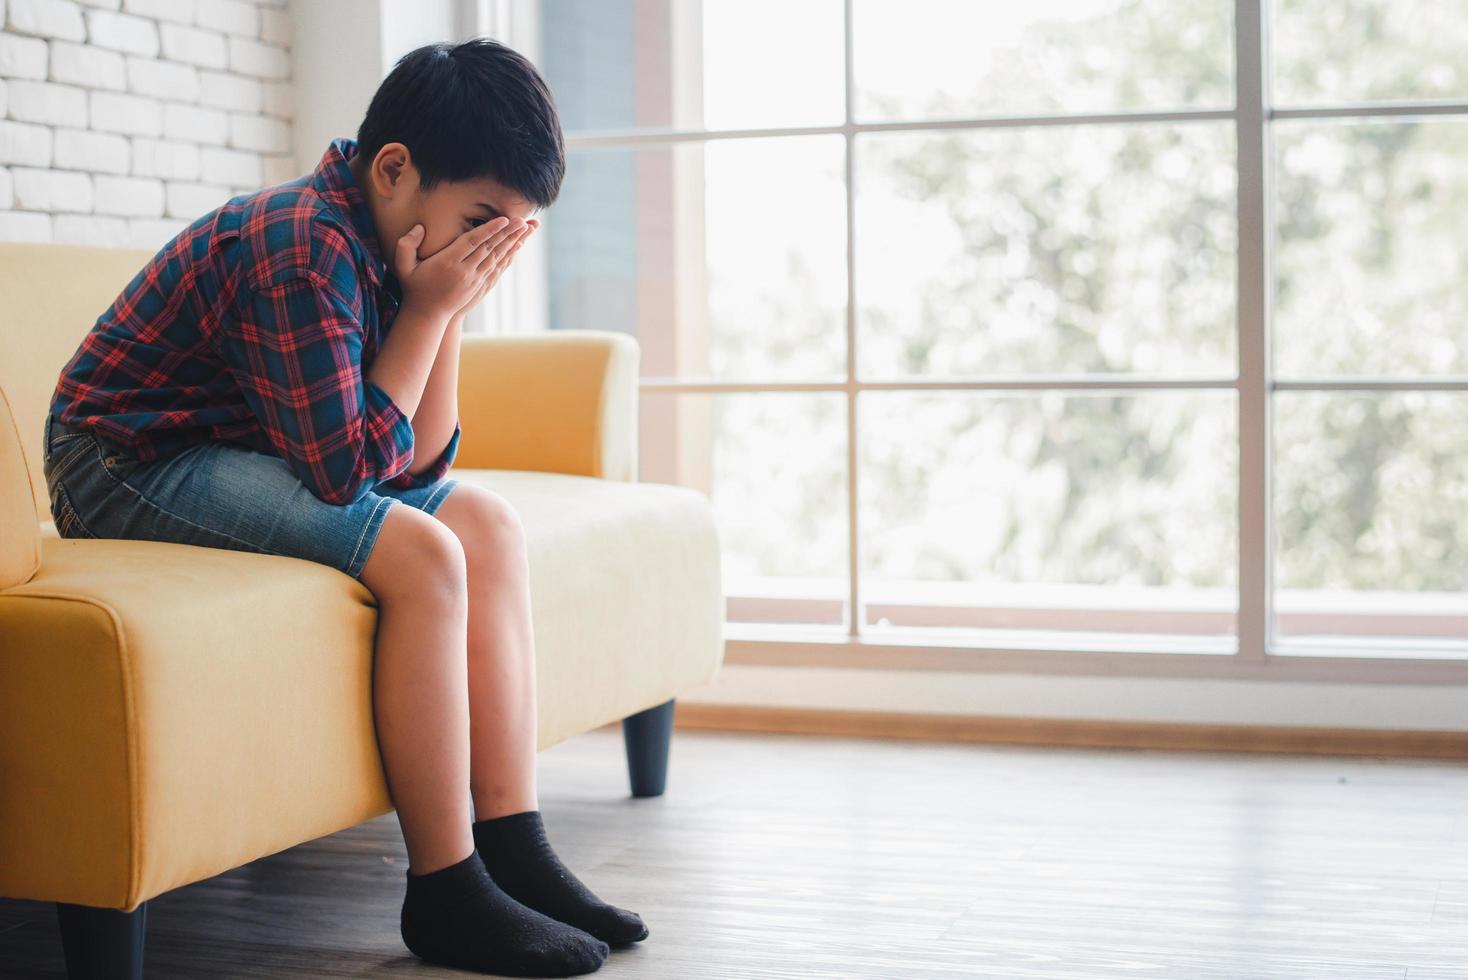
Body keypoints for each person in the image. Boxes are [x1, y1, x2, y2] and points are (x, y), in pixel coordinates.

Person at [41, 37, 642, 978]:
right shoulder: (301, 247)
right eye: (480, 222)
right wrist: (428, 310)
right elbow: (348, 472)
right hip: (123, 461)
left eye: (506, 238)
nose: (487, 250)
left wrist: (442, 307)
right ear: (394, 169)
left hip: (244, 447)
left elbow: (423, 461)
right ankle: (445, 889)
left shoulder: (383, 235)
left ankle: (514, 848)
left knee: (484, 525)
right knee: (427, 557)